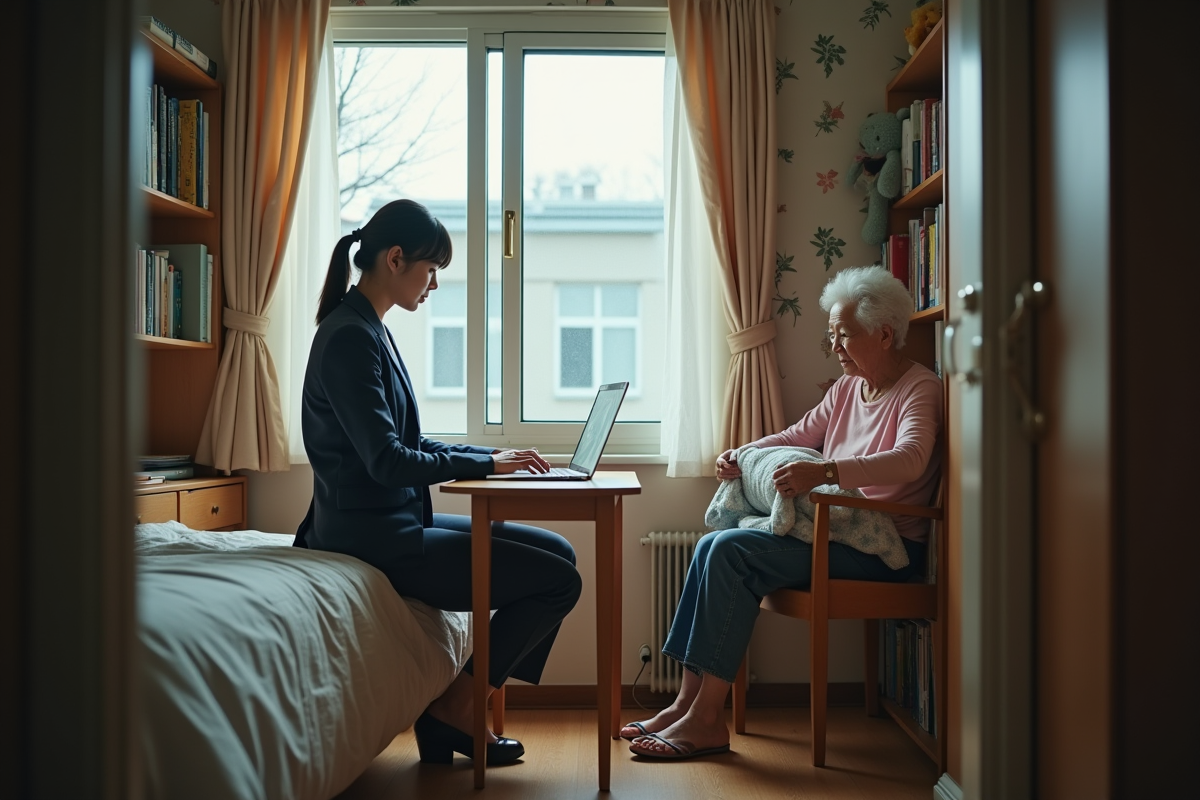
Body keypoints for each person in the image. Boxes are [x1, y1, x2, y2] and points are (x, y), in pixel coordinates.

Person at [294, 199, 583, 766]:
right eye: (430, 272)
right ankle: (456, 708)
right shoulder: (351, 337)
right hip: (371, 536)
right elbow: (387, 462)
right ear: (396, 259)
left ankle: (459, 709)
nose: (432, 286)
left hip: (394, 521)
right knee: (558, 582)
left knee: (560, 552)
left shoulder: (368, 327)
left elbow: (410, 444)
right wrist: (485, 467)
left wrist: (490, 456)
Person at [624, 265, 942, 760]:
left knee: (731, 550)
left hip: (885, 550)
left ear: (884, 334)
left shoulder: (920, 388)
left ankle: (706, 720)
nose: (835, 345)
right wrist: (741, 453)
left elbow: (912, 457)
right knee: (710, 543)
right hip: (834, 534)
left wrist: (828, 472)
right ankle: (686, 704)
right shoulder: (845, 390)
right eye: (831, 334)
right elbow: (794, 436)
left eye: (844, 335)